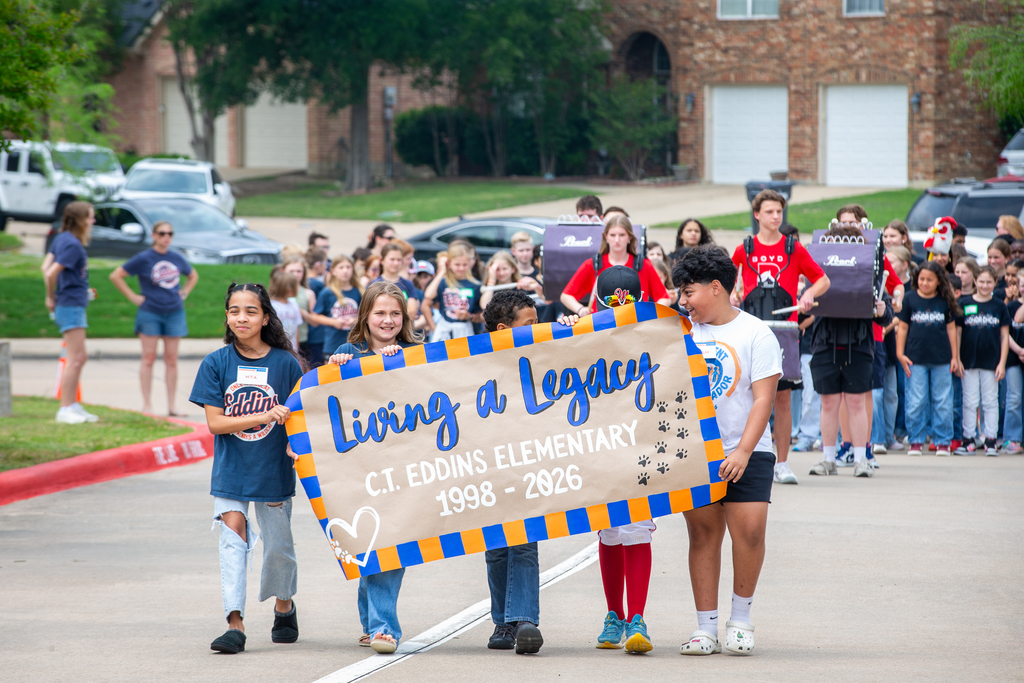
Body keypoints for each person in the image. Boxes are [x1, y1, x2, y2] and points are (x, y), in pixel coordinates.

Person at [672, 246, 781, 657]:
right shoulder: (679, 330)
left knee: (749, 533)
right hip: (694, 454)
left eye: (689, 292)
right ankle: (705, 628)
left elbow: (762, 400)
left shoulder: (756, 333)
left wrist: (743, 452)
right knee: (702, 535)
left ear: (716, 288)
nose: (683, 302)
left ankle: (741, 620)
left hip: (748, 451)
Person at [189, 282, 304, 655]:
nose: (242, 317)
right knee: (232, 541)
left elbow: (301, 417)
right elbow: (216, 423)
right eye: (235, 310)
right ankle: (234, 623)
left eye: (251, 311)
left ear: (265, 317)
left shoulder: (286, 364)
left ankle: (283, 603)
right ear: (227, 316)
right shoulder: (216, 363)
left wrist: (294, 441)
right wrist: (263, 413)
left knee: (278, 548)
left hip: (272, 471)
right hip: (231, 471)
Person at [479, 290, 578, 655]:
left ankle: (523, 620)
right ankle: (502, 622)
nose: (538, 328)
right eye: (530, 323)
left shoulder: (543, 353)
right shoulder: (470, 362)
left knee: (523, 543)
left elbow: (583, 354)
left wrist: (568, 328)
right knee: (495, 548)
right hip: (487, 468)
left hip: (528, 465)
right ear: (505, 329)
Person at [327, 281, 422, 654]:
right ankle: (374, 622)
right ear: (365, 315)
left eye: (395, 314)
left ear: (405, 317)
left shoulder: (416, 351)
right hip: (360, 468)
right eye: (380, 313)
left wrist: (402, 364)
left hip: (403, 466)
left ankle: (382, 626)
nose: (388, 320)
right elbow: (327, 406)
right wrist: (336, 370)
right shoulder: (346, 353)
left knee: (392, 543)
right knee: (369, 541)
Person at [730, 190, 830, 485]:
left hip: (783, 333)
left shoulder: (793, 248)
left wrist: (809, 293)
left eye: (779, 212)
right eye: (770, 212)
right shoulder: (744, 249)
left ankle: (782, 463)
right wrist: (734, 295)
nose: (776, 217)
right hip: (749, 329)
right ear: (757, 215)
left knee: (782, 399)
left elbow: (823, 279)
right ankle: (745, 457)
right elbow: (728, 283)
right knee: (748, 398)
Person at [584, 267, 657, 654]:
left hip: (640, 443)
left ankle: (637, 617)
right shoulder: (585, 334)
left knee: (636, 528)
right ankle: (614, 615)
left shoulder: (653, 334)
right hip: (600, 445)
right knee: (609, 530)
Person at [807, 224, 893, 478]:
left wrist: (881, 310)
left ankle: (860, 459)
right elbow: (806, 303)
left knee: (856, 401)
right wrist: (806, 299)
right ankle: (828, 458)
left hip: (859, 342)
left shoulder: (869, 271)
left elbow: (886, 315)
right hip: (825, 342)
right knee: (828, 401)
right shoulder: (819, 271)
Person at [108, 220, 199, 416]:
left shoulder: (176, 257)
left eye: (169, 233)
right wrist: (133, 297)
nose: (166, 237)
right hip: (150, 311)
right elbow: (116, 275)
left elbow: (193, 275)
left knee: (171, 359)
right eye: (161, 233)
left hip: (174, 311)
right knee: (148, 358)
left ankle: (172, 406)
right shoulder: (144, 258)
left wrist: (184, 293)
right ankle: (147, 405)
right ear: (154, 235)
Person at [895, 263, 961, 456]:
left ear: (939, 281)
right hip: (915, 359)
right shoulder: (909, 299)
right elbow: (903, 327)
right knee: (916, 400)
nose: (925, 283)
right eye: (922, 279)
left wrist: (955, 357)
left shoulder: (944, 300)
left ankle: (942, 441)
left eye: (930, 279)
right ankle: (916, 440)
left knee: (942, 401)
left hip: (942, 359)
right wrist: (900, 354)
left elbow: (951, 330)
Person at [44, 201, 98, 424]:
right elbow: (50, 274)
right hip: (70, 304)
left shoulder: (61, 237)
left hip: (72, 301)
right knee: (75, 358)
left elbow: (43, 267)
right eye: (90, 217)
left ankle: (73, 405)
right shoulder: (73, 245)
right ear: (80, 220)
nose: (93, 221)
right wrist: (51, 296)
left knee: (78, 357)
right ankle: (65, 408)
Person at [559, 215, 671, 316]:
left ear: (629, 238)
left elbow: (664, 298)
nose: (617, 240)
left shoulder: (644, 265)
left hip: (634, 325)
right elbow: (566, 296)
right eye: (612, 235)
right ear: (606, 237)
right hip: (602, 326)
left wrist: (648, 312)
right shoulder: (593, 265)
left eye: (622, 235)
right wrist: (580, 310)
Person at [956, 267, 1010, 455]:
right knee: (970, 400)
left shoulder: (999, 306)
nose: (984, 285)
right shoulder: (964, 303)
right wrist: (957, 358)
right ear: (975, 282)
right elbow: (958, 333)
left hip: (991, 362)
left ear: (995, 283)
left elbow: (1004, 336)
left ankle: (990, 440)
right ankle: (969, 438)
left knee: (990, 401)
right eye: (981, 281)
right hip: (968, 361)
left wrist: (1002, 363)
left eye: (989, 282)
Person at [423, 242, 483, 341]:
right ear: (449, 264)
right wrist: (442, 271)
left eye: (465, 264)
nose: (461, 268)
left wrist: (469, 316)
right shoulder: (443, 283)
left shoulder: (475, 285)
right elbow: (428, 296)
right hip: (444, 329)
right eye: (457, 264)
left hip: (465, 331)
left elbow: (483, 315)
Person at [311, 254, 363, 361]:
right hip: (333, 342)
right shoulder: (327, 293)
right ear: (333, 271)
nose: (345, 271)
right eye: (341, 267)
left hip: (355, 342)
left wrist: (355, 320)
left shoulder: (359, 291)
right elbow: (315, 316)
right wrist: (333, 322)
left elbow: (367, 315)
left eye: (348, 267)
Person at [1004, 270, 1024, 454]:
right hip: (1013, 357)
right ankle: (1011, 438)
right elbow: (1007, 331)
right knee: (1014, 397)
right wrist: (1019, 350)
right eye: (1022, 284)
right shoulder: (1011, 307)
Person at [372, 243, 421, 320]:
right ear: (382, 260)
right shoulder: (374, 285)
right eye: (392, 259)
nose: (396, 263)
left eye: (399, 260)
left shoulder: (407, 284)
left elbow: (412, 312)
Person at [269, 268, 303, 352]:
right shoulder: (272, 306)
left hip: (292, 349)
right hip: (277, 349)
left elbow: (297, 328)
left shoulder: (294, 304)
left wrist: (296, 348)